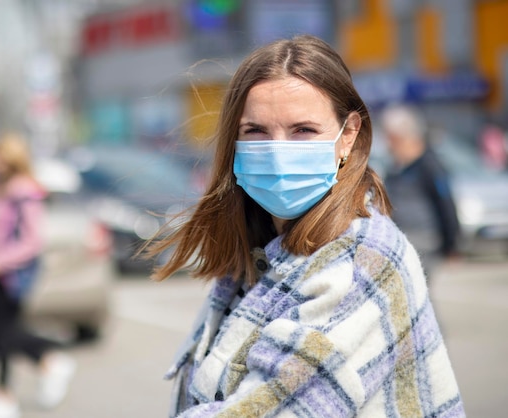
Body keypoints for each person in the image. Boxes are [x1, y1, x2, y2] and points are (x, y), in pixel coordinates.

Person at [145, 35, 464, 417]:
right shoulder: (259, 250)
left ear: (348, 135)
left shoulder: (359, 264)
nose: (279, 152)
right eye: (256, 131)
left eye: (304, 130)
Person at [0, 133, 75, 418]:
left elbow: (31, 241)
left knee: (5, 334)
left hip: (10, 275)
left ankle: (9, 392)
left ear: (11, 158)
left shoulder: (24, 191)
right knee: (0, 332)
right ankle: (44, 364)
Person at [380, 104, 461, 279]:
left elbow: (446, 203)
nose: (388, 145)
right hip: (400, 238)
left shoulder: (429, 166)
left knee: (415, 293)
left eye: (391, 139)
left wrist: (452, 244)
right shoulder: (395, 167)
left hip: (424, 240)